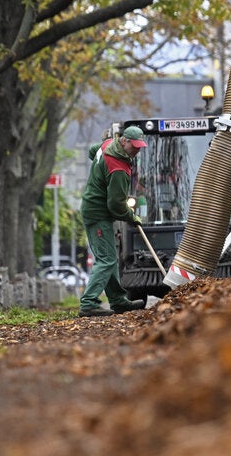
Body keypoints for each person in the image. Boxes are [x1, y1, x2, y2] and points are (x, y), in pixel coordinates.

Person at [78, 125, 149, 317]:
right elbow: (116, 205)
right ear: (124, 141)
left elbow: (92, 151)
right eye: (134, 146)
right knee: (106, 259)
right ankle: (88, 303)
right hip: (97, 213)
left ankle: (118, 301)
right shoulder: (118, 168)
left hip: (94, 209)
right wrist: (132, 217)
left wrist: (99, 171)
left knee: (109, 258)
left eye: (139, 147)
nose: (137, 150)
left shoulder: (108, 145)